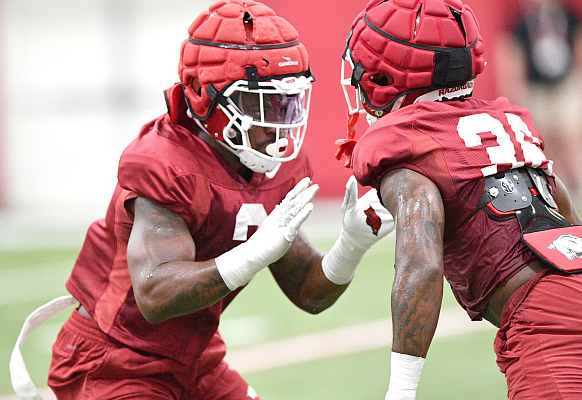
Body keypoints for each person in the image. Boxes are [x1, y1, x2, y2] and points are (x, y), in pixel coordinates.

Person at [10, 1, 394, 399]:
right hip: (114, 359)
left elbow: (308, 294)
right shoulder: (164, 162)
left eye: (288, 102)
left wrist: (350, 247)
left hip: (197, 357)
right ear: (202, 95)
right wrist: (253, 254)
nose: (279, 121)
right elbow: (154, 294)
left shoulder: (278, 165)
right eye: (261, 103)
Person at [337, 0, 582, 399]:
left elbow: (421, 265)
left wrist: (401, 391)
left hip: (549, 325)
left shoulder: (410, 146)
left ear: (383, 76)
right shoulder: (505, 123)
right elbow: (563, 207)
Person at [496, 0, 582, 215]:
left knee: (572, 138)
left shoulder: (567, 14)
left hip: (566, 83)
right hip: (538, 87)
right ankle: (559, 191)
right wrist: (515, 89)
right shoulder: (522, 21)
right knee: (547, 142)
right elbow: (510, 51)